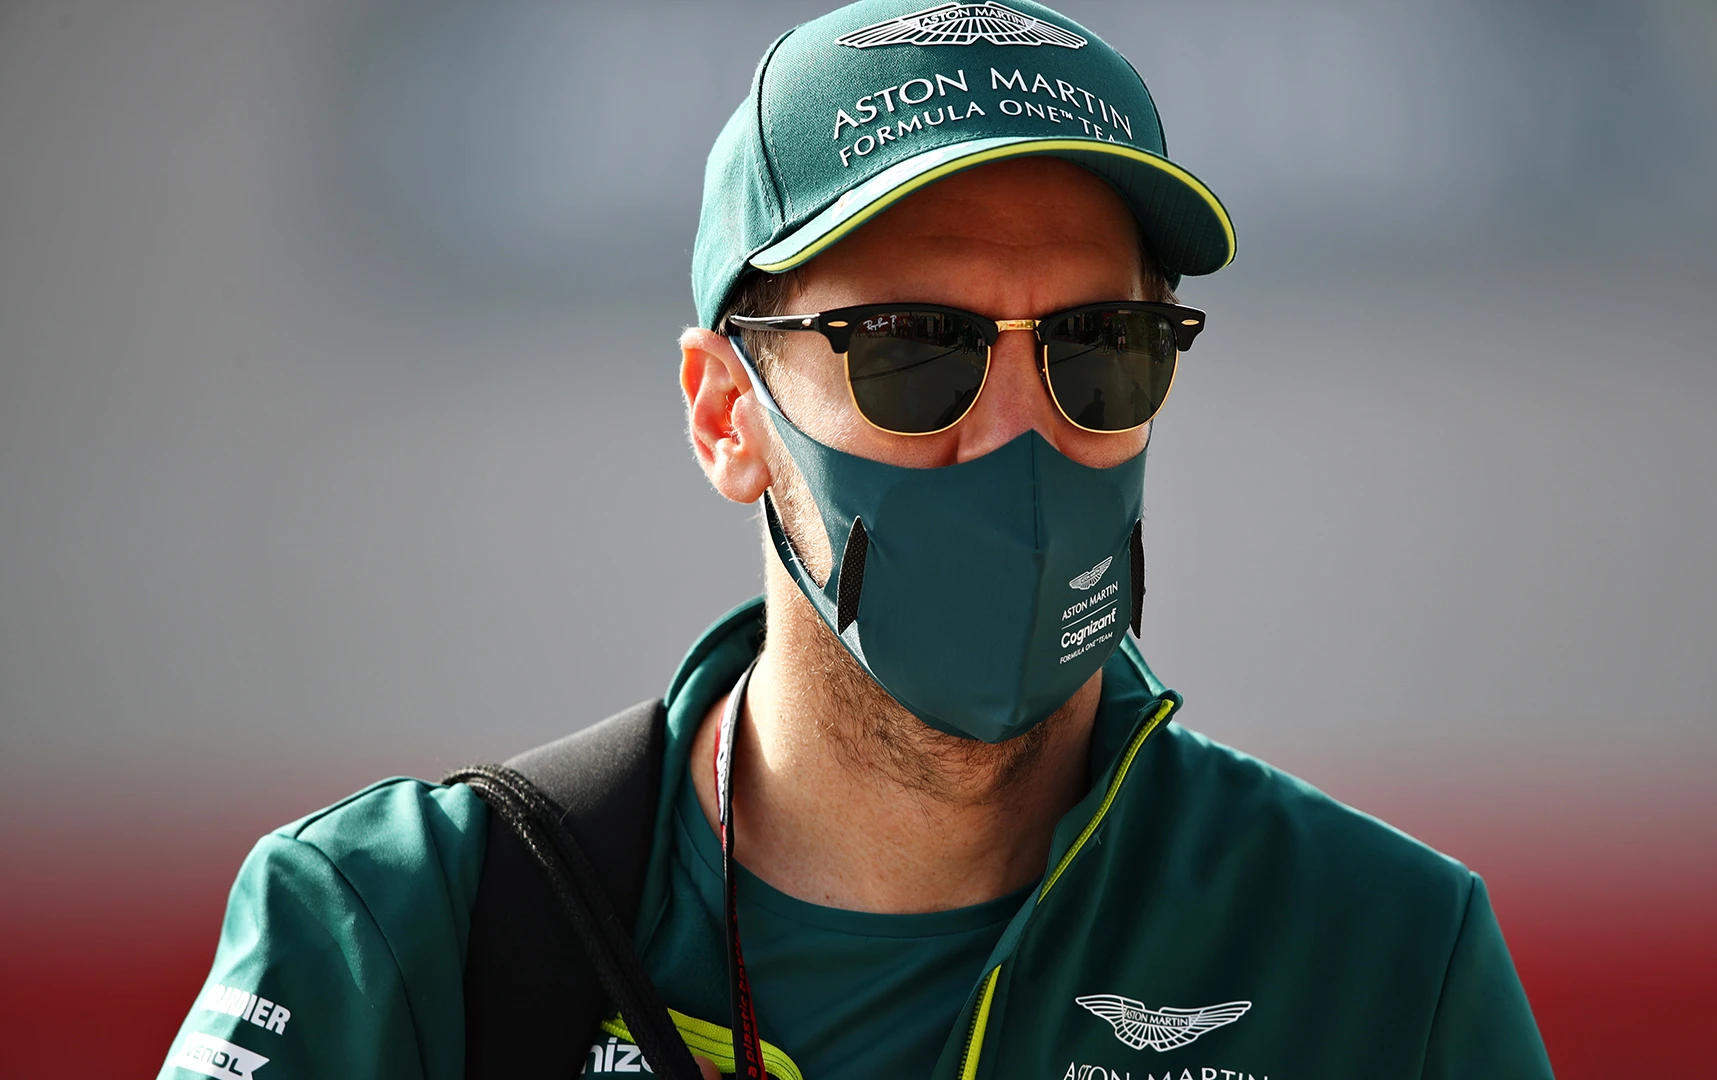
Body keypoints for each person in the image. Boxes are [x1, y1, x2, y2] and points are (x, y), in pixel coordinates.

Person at [160, 2, 1555, 1078]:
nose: (1018, 434)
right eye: (912, 351)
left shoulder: (1382, 956)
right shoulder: (399, 934)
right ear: (726, 415)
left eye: (1101, 350)